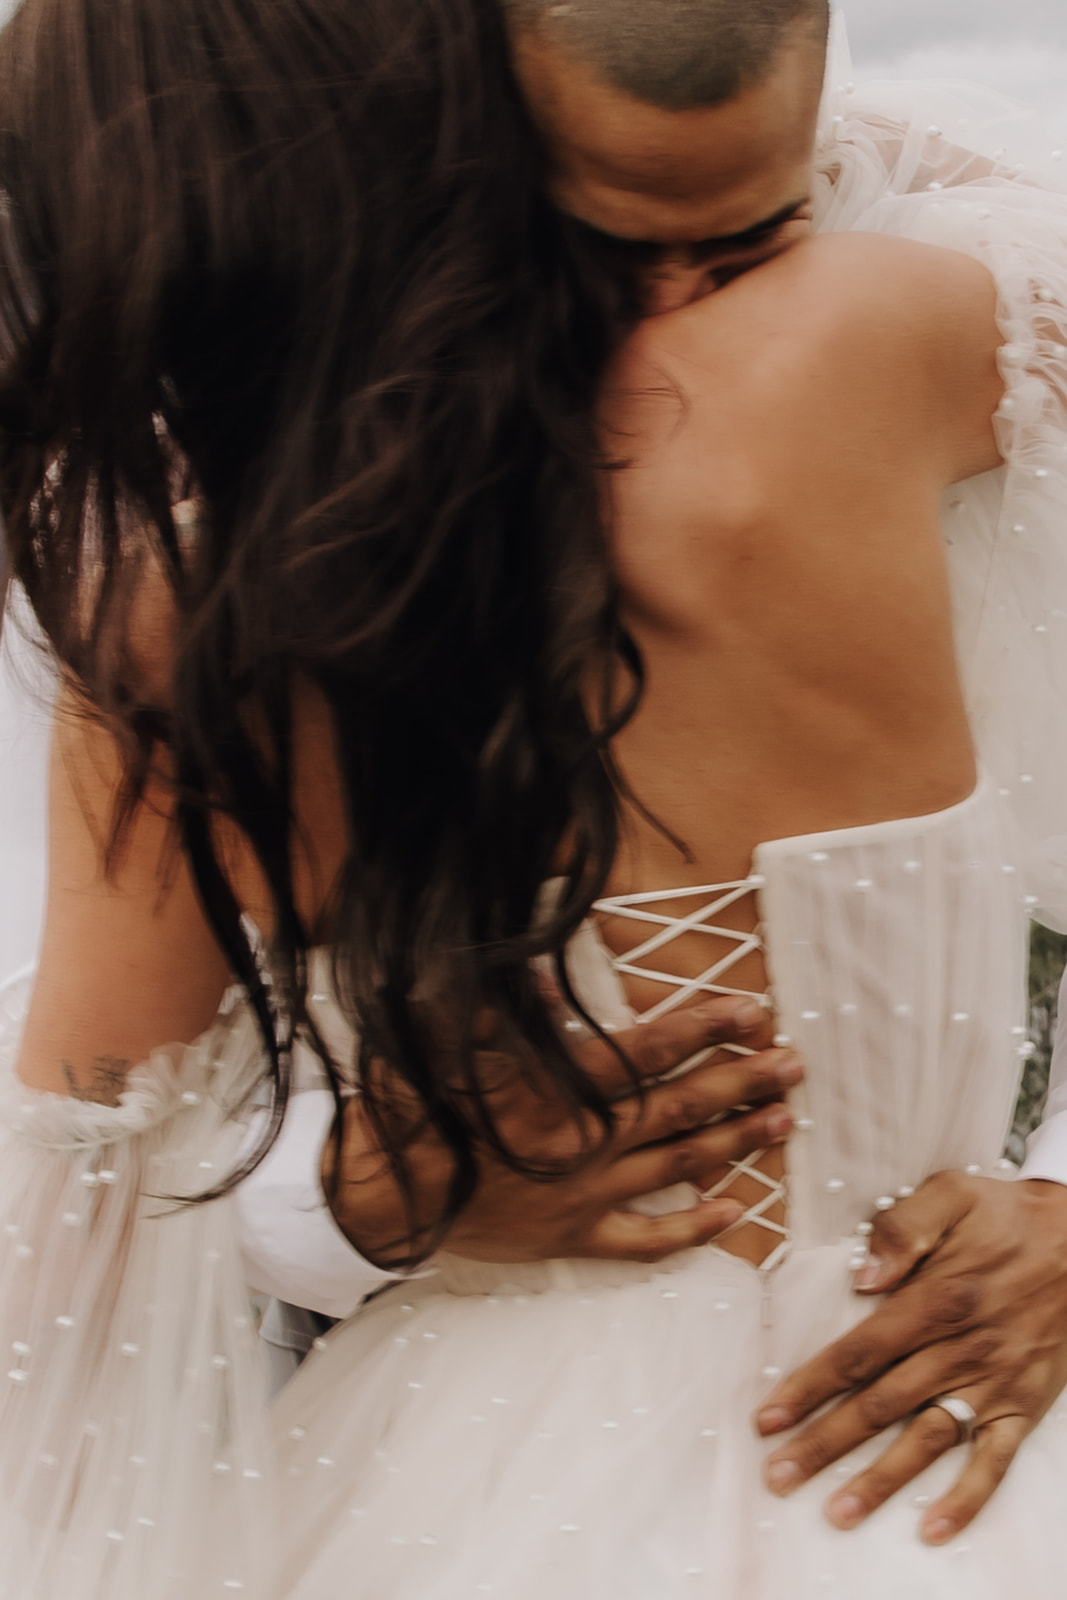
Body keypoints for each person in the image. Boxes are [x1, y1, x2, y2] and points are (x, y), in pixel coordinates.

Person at [1, 3, 1067, 1599]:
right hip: (953, 1410)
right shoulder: (884, 336)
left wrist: (340, 1207)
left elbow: (72, 1228)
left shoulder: (186, 616)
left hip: (467, 1477)